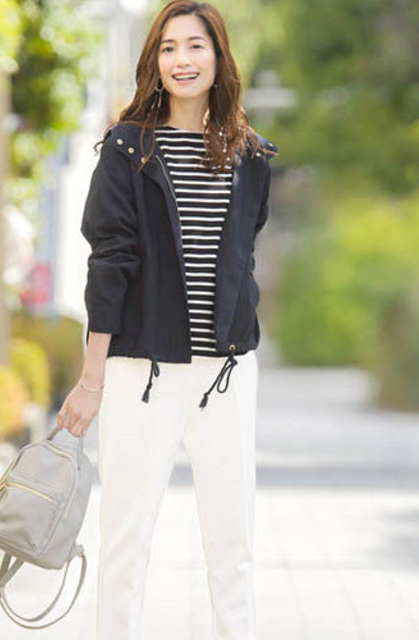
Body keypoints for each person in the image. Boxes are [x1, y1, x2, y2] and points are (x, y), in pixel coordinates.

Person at [56, 1, 278, 638]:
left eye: (195, 46)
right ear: (154, 61)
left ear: (219, 57)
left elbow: (240, 257)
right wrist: (92, 378)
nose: (182, 60)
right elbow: (110, 263)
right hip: (141, 372)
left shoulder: (251, 156)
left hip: (226, 374)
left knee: (233, 544)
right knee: (125, 540)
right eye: (168, 47)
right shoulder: (128, 149)